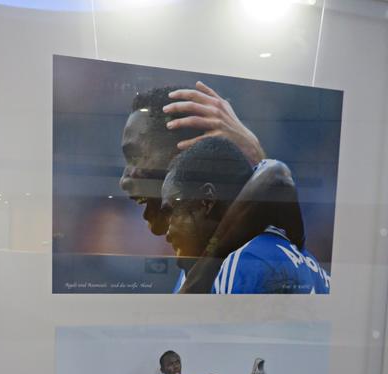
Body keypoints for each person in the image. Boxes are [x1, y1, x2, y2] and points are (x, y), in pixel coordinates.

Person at [119, 83, 305, 257]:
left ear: (187, 153)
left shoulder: (253, 261)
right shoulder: (195, 258)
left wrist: (255, 154)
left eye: (135, 156)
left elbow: (276, 179)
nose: (123, 181)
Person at [162, 137, 330, 294]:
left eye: (172, 213)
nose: (167, 233)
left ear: (206, 201)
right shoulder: (306, 262)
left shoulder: (243, 262)